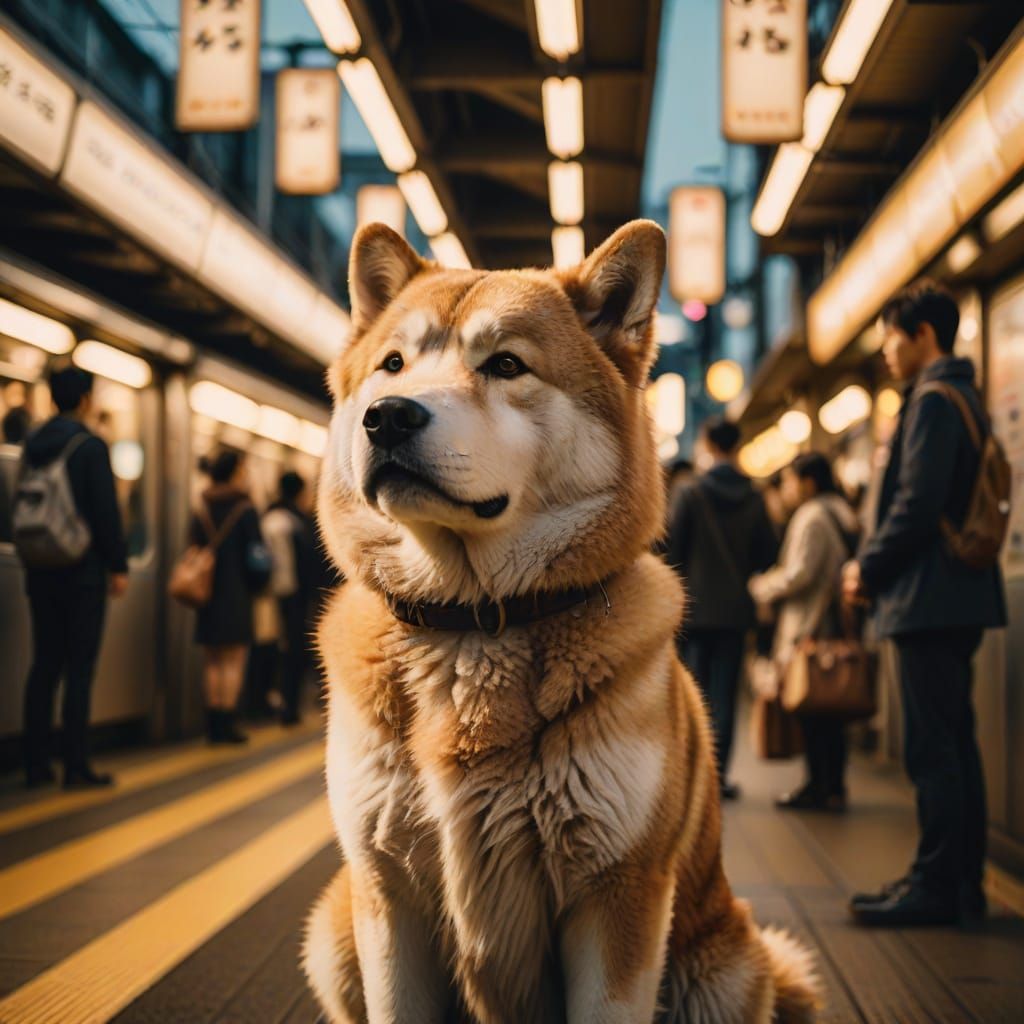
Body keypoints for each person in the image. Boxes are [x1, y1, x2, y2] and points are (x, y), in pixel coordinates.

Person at [843, 281, 1007, 927]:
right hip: (954, 595)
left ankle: (937, 885)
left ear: (923, 335)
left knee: (933, 748)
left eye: (892, 337)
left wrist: (867, 569)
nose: (886, 351)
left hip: (929, 598)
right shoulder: (962, 395)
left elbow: (916, 505)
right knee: (955, 743)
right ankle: (959, 883)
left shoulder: (933, 402)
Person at [19, 367, 128, 788]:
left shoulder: (32, 443)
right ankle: (75, 765)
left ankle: (35, 763)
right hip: (82, 570)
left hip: (40, 567)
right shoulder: (89, 446)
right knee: (79, 668)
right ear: (84, 400)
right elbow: (105, 513)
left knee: (44, 663)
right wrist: (117, 565)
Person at [665, 416, 778, 798]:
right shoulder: (754, 496)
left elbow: (672, 552)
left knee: (693, 695)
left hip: (694, 612)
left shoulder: (690, 492)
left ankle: (692, 776)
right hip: (734, 613)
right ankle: (719, 776)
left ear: (709, 444)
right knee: (725, 695)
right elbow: (767, 554)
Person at [750, 452, 861, 812]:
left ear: (808, 482)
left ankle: (819, 786)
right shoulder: (841, 511)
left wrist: (762, 586)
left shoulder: (812, 516)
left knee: (812, 708)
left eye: (790, 481)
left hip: (811, 624)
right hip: (832, 622)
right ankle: (832, 785)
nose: (786, 489)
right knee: (831, 712)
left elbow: (800, 573)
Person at [191, 449, 265, 744]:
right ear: (235, 472)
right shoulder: (245, 509)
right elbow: (257, 555)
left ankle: (212, 725)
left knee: (212, 660)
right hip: (237, 593)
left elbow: (193, 544)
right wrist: (259, 584)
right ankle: (228, 722)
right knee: (233, 660)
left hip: (207, 592)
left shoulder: (201, 505)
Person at [261, 470, 318, 725]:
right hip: (293, 598)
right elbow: (307, 566)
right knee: (294, 652)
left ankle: (265, 703)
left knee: (269, 651)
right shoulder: (296, 523)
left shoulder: (268, 517)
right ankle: (289, 708)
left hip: (264, 597)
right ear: (299, 493)